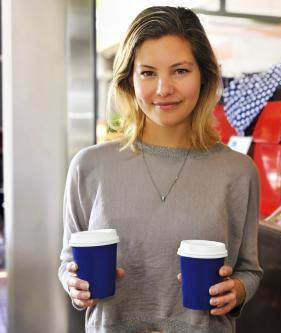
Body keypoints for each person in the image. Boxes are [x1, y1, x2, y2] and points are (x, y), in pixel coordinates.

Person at [58, 6, 262, 333]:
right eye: (148, 73)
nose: (163, 89)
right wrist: (74, 285)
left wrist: (235, 291)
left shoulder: (237, 172)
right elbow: (68, 261)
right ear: (129, 79)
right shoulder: (89, 166)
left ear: (204, 75)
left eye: (180, 71)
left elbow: (249, 270)